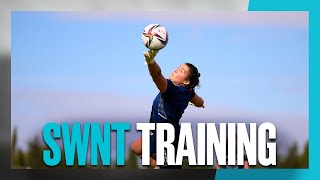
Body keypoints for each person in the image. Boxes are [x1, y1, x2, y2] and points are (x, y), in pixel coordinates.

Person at [131, 49, 204, 169]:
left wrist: (151, 61)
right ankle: (158, 167)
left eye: (181, 71)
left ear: (186, 81)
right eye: (178, 67)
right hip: (158, 131)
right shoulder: (188, 92)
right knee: (137, 148)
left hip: (168, 139)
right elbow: (200, 101)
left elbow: (157, 75)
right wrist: (199, 104)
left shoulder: (172, 90)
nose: (176, 69)